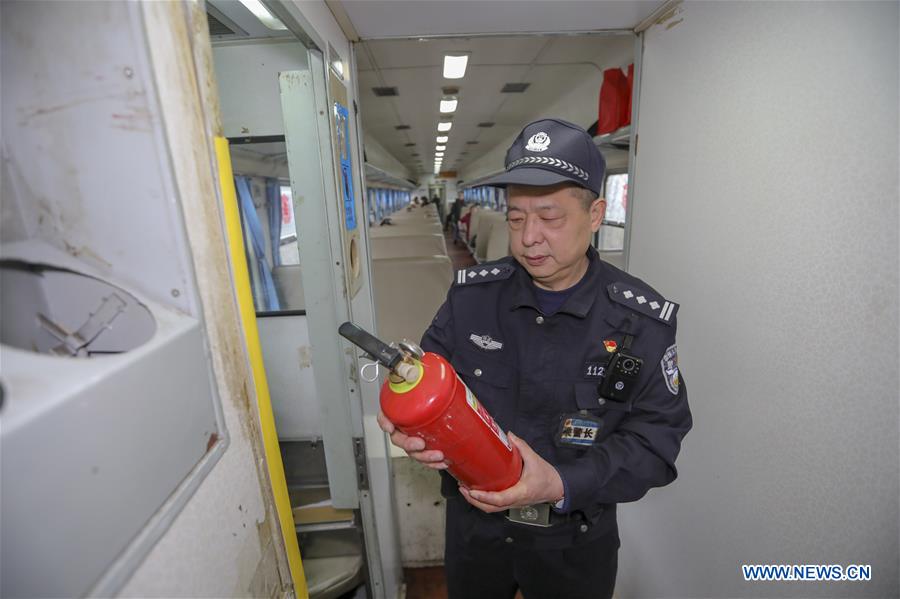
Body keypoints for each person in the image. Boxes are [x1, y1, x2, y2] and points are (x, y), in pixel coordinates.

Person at [378, 118, 692, 599]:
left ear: (595, 214)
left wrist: (561, 481)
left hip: (574, 539)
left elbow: (656, 443)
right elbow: (431, 385)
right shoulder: (471, 299)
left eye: (550, 218)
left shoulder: (639, 321)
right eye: (517, 218)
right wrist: (414, 429)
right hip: (475, 529)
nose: (528, 238)